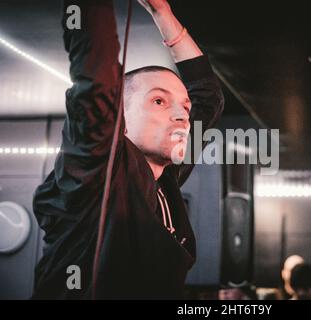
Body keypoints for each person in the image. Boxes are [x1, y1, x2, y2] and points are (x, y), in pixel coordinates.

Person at [32, 0, 224, 299]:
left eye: (184, 107)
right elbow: (96, 76)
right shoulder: (98, 174)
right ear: (118, 118)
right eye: (159, 101)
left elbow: (208, 97)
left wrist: (163, 13)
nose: (182, 115)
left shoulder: (166, 180)